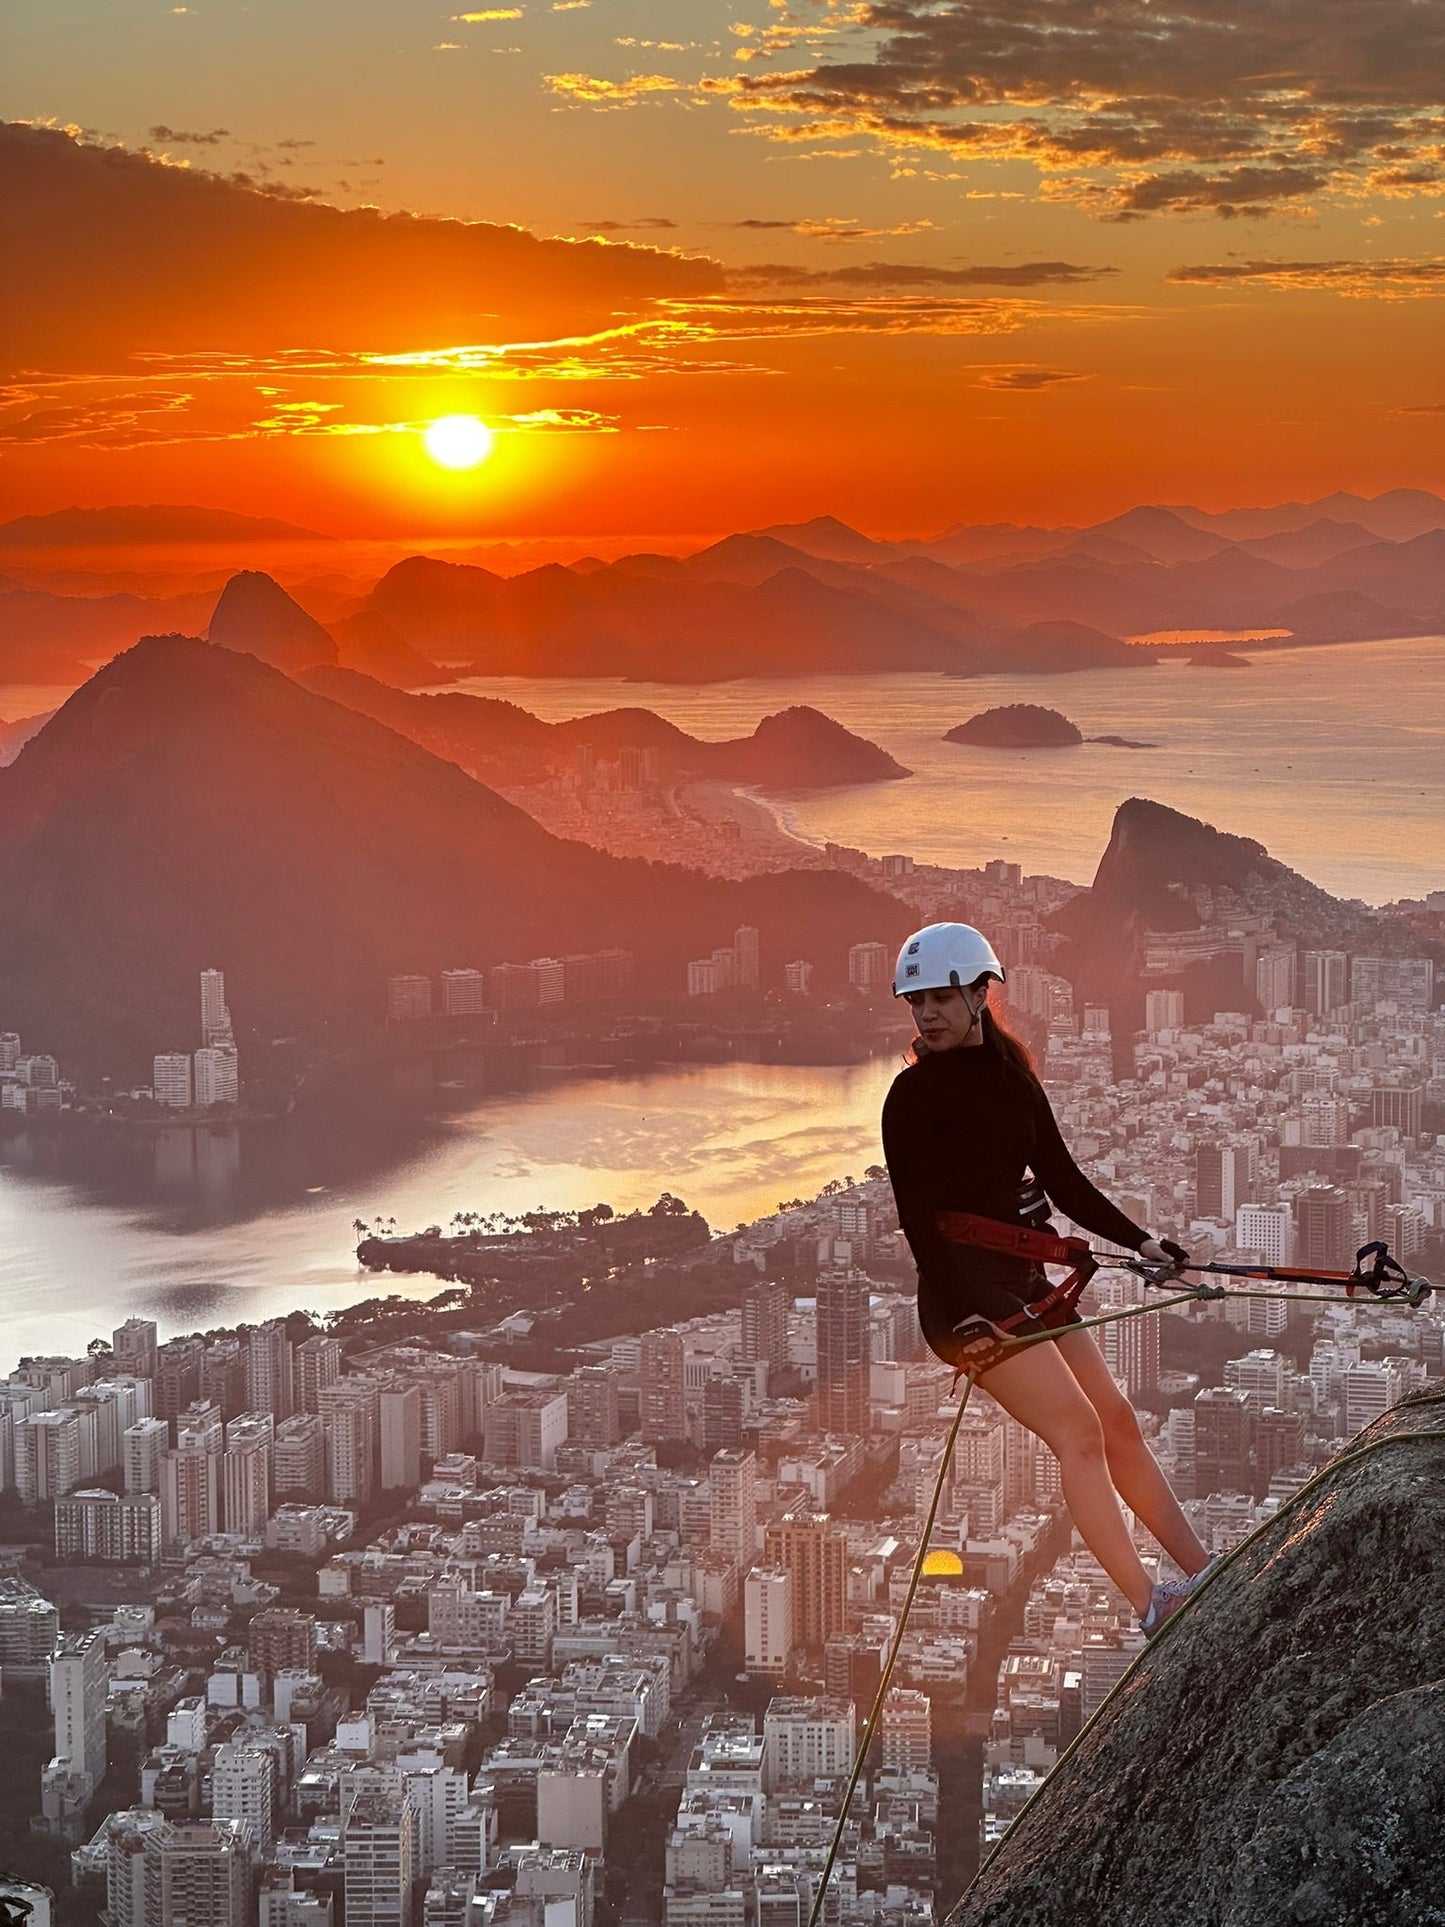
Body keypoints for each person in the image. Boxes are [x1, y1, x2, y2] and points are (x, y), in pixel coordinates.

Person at [881, 922, 1212, 1636]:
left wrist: (1143, 1241)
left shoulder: (1012, 1080)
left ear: (979, 993)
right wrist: (969, 1311)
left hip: (1024, 1282)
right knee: (1078, 1430)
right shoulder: (910, 1095)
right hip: (964, 1301)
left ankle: (1202, 1569)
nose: (926, 1014)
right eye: (916, 1002)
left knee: (1116, 1420)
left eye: (939, 997)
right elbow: (916, 1217)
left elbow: (1063, 1179)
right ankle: (1149, 1603)